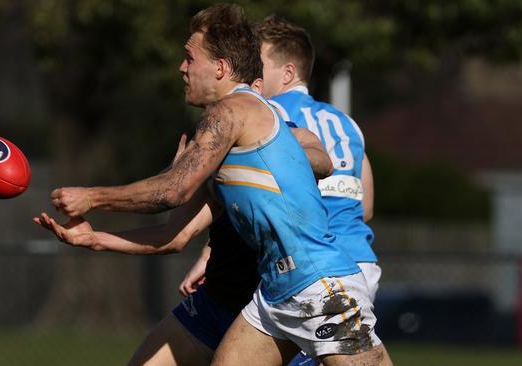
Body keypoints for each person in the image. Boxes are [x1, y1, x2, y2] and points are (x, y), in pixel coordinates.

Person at [37, 3, 385, 365]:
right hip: (276, 294)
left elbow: (173, 190)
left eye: (190, 58)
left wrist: (91, 197)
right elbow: (171, 235)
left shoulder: (234, 110)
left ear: (220, 68)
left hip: (319, 285)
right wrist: (93, 238)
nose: (181, 67)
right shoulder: (220, 133)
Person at [255, 15, 392, 366]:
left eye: (257, 64)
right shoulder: (346, 123)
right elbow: (367, 206)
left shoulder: (266, 116)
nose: (249, 74)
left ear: (286, 73)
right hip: (360, 261)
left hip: (314, 266)